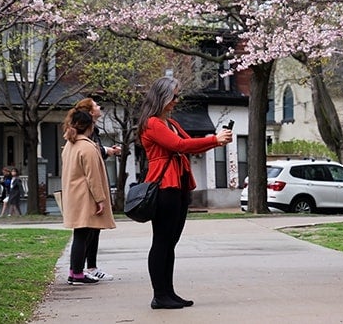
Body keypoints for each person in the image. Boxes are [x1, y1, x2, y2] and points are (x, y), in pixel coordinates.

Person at [138, 76, 233, 310]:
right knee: (162, 241)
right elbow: (179, 146)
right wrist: (214, 140)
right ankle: (160, 295)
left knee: (170, 241)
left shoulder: (170, 123)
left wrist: (215, 140)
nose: (176, 101)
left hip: (178, 184)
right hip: (164, 186)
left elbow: (189, 142)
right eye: (174, 96)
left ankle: (168, 293)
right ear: (162, 96)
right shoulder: (152, 123)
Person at [69, 98, 122, 282]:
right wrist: (100, 199)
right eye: (96, 105)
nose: (99, 107)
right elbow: (92, 175)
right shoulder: (87, 146)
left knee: (83, 233)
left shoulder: (71, 143)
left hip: (76, 193)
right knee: (84, 233)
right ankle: (77, 272)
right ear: (89, 120)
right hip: (86, 195)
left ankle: (77, 271)